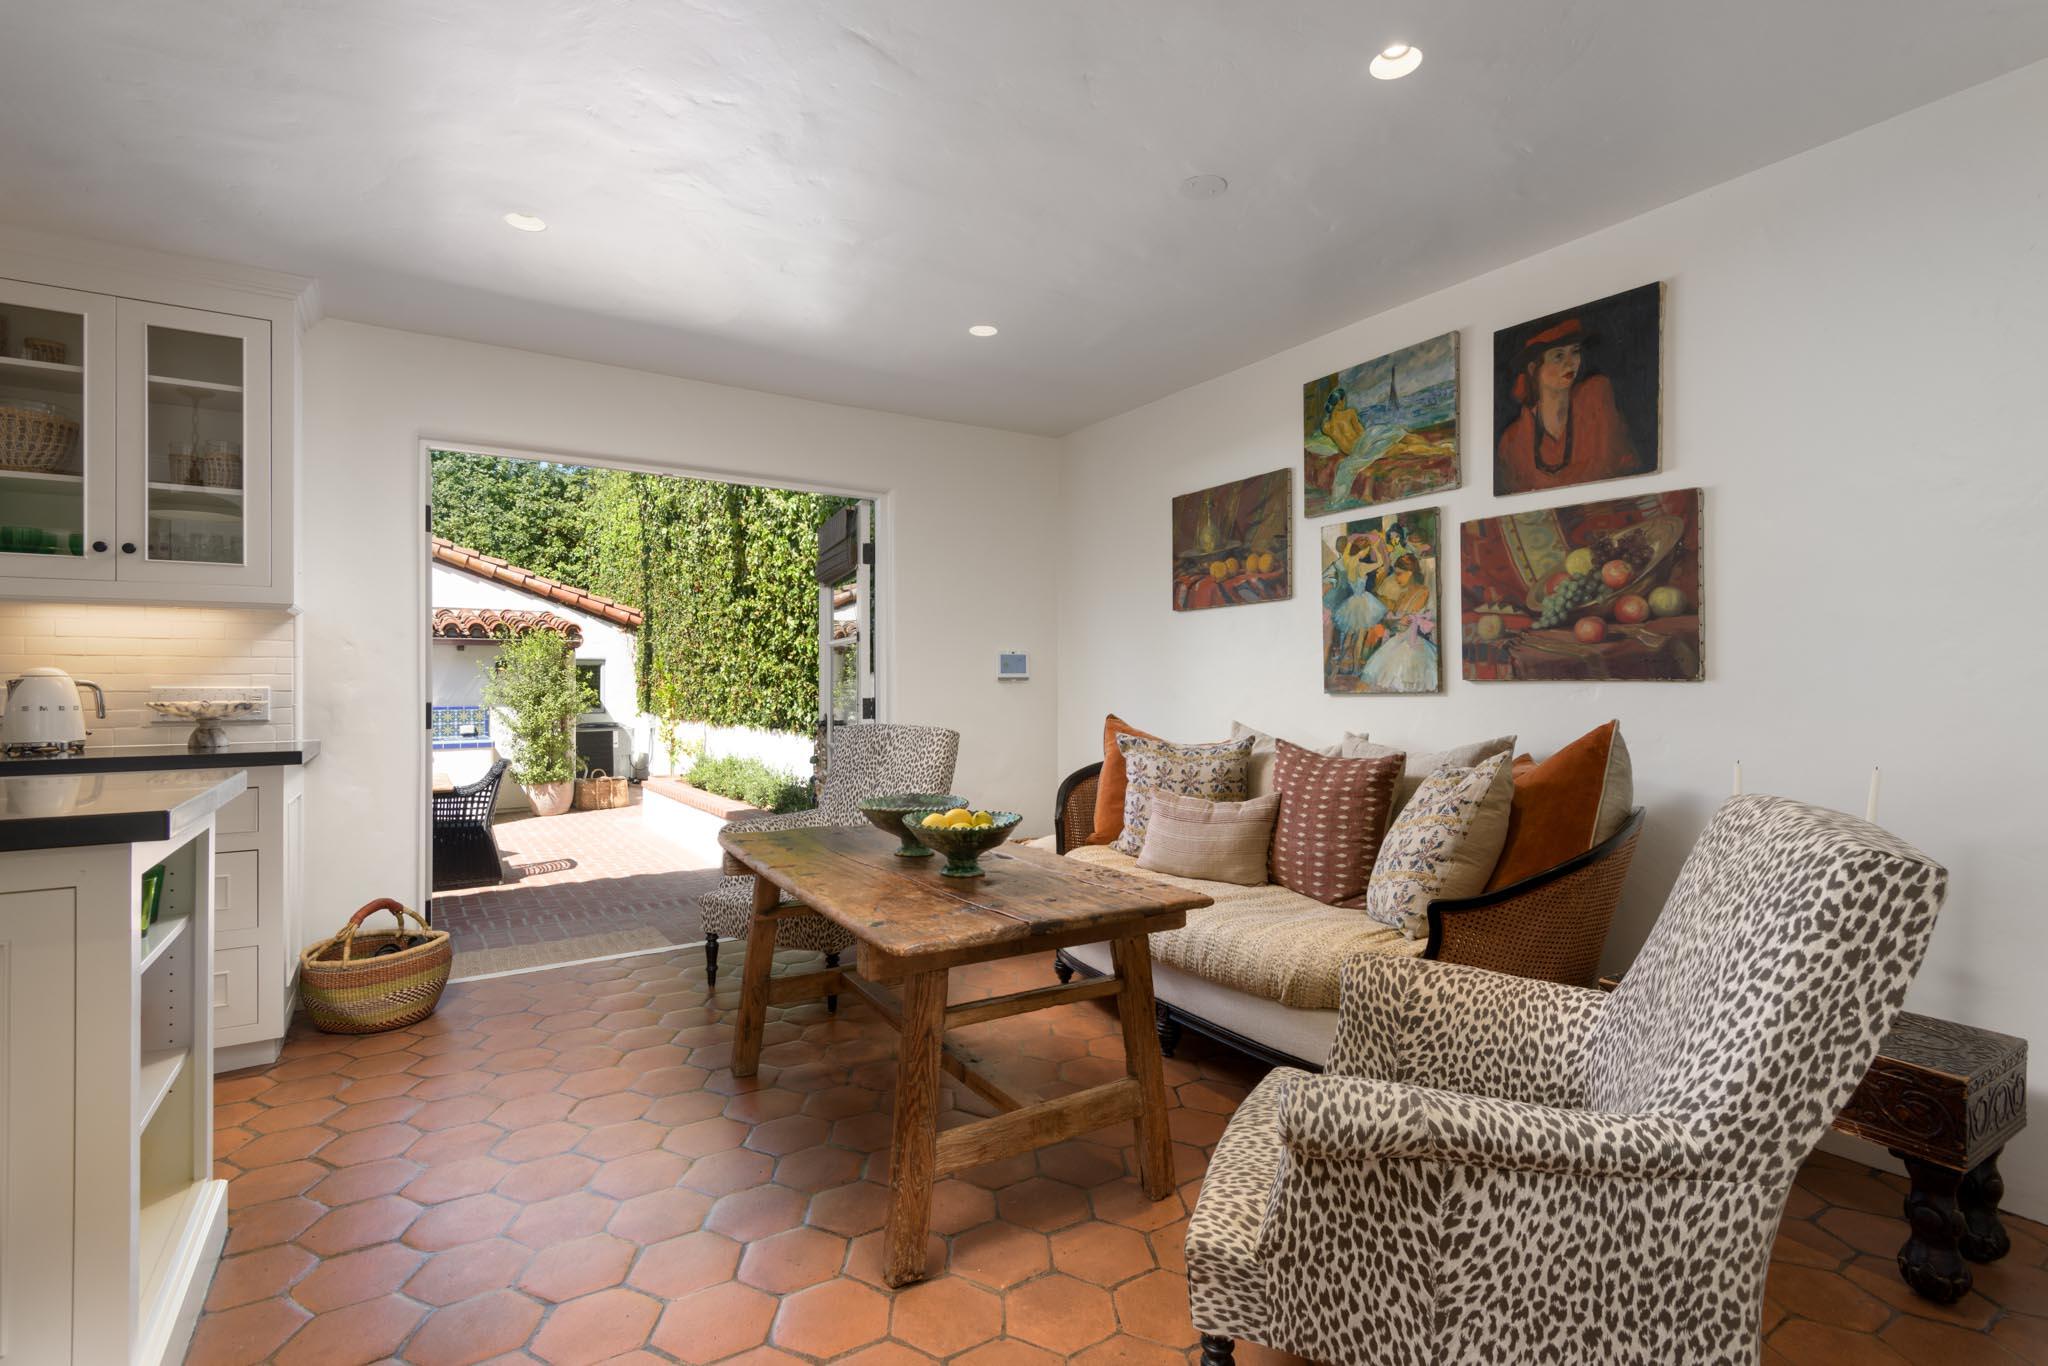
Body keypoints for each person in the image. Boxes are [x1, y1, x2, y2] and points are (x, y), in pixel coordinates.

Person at [1495, 317, 1642, 493]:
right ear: (1534, 368)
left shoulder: (1596, 397)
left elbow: (1628, 469)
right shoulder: (1513, 441)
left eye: (1575, 351)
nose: (1570, 362)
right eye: (1558, 356)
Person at [1357, 553, 1439, 692]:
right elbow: (1394, 619)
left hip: (1411, 642)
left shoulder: (1423, 591)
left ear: (1410, 573)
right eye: (1395, 574)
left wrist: (1396, 619)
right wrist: (1390, 618)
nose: (1396, 578)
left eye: (1400, 574)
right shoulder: (1402, 595)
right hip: (1397, 639)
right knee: (1376, 673)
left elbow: (1409, 619)